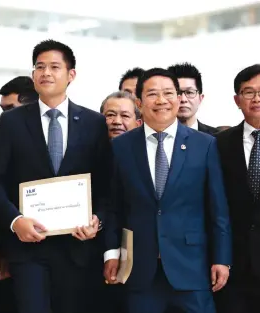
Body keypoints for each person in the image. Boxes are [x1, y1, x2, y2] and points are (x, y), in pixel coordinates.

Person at [0, 39, 112, 313]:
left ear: (71, 75)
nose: (46, 73)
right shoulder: (11, 122)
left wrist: (97, 221)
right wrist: (15, 221)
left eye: (55, 67)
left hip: (78, 249)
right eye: (39, 67)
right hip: (28, 249)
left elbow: (106, 185)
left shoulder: (93, 123)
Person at [104, 68, 232, 313]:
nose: (161, 100)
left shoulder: (204, 144)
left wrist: (222, 258)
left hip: (192, 267)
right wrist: (111, 253)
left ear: (178, 98)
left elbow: (218, 209)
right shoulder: (122, 147)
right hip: (140, 270)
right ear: (139, 102)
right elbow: (114, 206)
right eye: (152, 94)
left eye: (168, 93)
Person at [215, 64, 260, 313]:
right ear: (237, 99)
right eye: (249, 92)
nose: (257, 98)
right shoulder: (218, 144)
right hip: (234, 266)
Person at [167, 63, 218, 135]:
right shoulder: (156, 137)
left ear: (200, 98)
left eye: (189, 92)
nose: (183, 99)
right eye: (177, 93)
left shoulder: (217, 138)